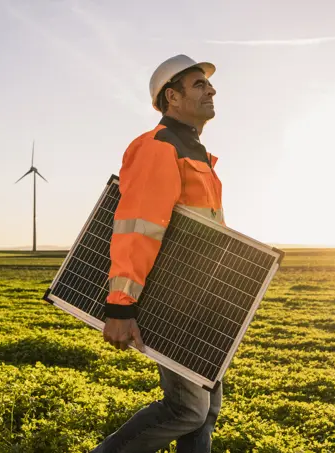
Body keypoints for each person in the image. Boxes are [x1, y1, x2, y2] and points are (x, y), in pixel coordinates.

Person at [92, 55, 225, 453]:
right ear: (173, 97)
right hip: (174, 299)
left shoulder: (197, 152)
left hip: (205, 298)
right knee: (187, 408)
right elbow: (138, 227)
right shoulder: (158, 148)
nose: (212, 90)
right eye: (199, 84)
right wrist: (121, 305)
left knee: (208, 407)